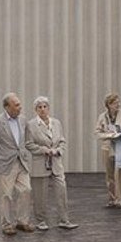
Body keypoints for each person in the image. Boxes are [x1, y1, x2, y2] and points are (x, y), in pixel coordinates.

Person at [0, 93, 35, 236]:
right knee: (6, 195)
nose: (20, 107)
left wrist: (26, 153)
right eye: (16, 105)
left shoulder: (23, 120)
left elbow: (26, 140)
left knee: (26, 190)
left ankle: (22, 221)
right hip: (5, 164)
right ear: (7, 107)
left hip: (21, 162)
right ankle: (7, 224)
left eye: (19, 104)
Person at [26, 96, 76, 230]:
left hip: (56, 162)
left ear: (48, 108)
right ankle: (41, 221)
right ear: (35, 110)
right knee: (40, 193)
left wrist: (58, 150)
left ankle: (64, 220)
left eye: (44, 106)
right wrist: (43, 150)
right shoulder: (31, 125)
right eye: (39, 107)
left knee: (61, 190)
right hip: (40, 162)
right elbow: (29, 144)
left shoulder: (56, 123)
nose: (42, 109)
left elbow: (62, 141)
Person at [96, 92, 121, 208]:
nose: (117, 105)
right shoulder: (102, 117)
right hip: (107, 147)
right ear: (108, 105)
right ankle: (111, 198)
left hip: (120, 147)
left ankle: (119, 199)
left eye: (118, 102)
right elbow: (97, 132)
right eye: (114, 103)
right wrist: (108, 135)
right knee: (109, 175)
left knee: (119, 174)